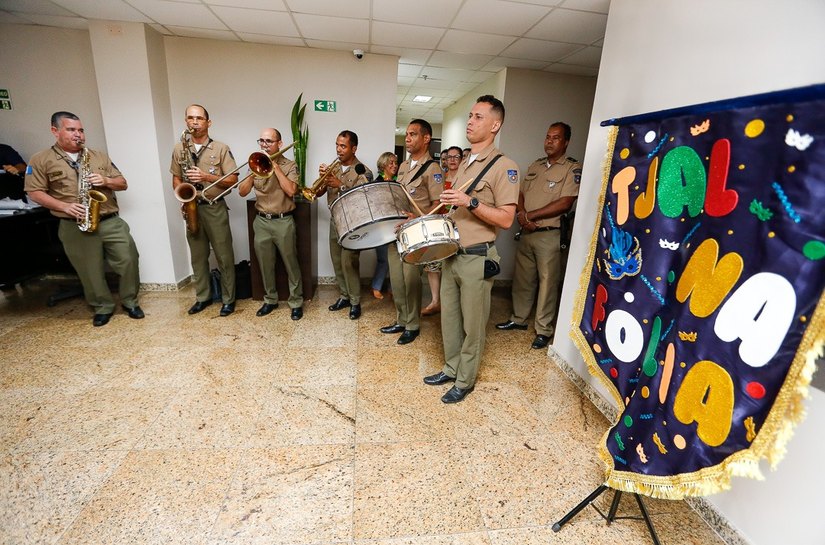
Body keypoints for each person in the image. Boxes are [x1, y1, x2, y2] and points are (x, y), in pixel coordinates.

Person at [423, 96, 519, 403]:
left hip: (476, 257)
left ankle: (465, 380)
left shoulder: (505, 167)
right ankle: (451, 367)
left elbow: (506, 218)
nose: (470, 122)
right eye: (469, 116)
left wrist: (471, 202)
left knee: (473, 324)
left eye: (478, 117)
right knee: (449, 318)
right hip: (452, 253)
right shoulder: (465, 162)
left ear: (495, 125)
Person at [24, 111, 142, 327]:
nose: (78, 135)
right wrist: (64, 206)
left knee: (128, 259)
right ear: (55, 131)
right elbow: (34, 192)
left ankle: (130, 302)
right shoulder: (41, 159)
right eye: (71, 130)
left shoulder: (97, 156)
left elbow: (122, 183)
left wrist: (105, 180)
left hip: (109, 219)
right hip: (74, 224)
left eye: (81, 130)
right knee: (90, 269)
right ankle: (102, 307)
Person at [497, 122, 581, 349]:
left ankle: (543, 329)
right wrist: (522, 215)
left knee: (547, 283)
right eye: (547, 137)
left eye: (555, 138)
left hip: (549, 234)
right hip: (526, 231)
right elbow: (521, 192)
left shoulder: (571, 169)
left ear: (566, 142)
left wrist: (530, 216)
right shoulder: (535, 165)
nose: (549, 141)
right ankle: (518, 319)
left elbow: (565, 203)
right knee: (523, 279)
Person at [170, 104, 238, 317]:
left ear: (209, 122)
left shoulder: (221, 148)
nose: (195, 122)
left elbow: (233, 180)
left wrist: (207, 177)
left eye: (199, 118)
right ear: (186, 122)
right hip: (192, 207)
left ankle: (228, 299)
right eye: (190, 118)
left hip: (214, 207)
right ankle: (203, 297)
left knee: (224, 255)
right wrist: (182, 195)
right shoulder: (179, 148)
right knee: (198, 256)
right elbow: (176, 177)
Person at [380, 119, 443, 345]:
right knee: (397, 280)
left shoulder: (433, 169)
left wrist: (417, 217)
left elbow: (439, 206)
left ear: (426, 139)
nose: (407, 138)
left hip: (415, 234)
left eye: (413, 134)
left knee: (411, 281)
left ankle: (413, 324)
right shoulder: (404, 166)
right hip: (396, 232)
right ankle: (401, 319)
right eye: (406, 134)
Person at [238, 128, 304, 320]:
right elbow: (242, 192)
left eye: (269, 141)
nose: (264, 144)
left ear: (279, 144)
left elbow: (291, 191)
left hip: (283, 221)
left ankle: (296, 302)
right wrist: (252, 173)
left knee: (291, 263)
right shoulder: (255, 161)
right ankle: (270, 299)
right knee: (265, 264)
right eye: (262, 141)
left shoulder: (290, 165)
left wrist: (275, 167)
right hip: (261, 222)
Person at [318, 130, 373, 320]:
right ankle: (344, 296)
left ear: (354, 148)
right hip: (335, 221)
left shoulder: (363, 171)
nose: (339, 150)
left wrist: (339, 184)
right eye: (337, 145)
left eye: (343, 146)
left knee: (349, 263)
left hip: (353, 224)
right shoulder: (333, 168)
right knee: (337, 262)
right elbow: (317, 193)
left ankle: (355, 302)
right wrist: (323, 181)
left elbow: (363, 198)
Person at [421, 145, 462, 316]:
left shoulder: (465, 178)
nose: (452, 160)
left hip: (457, 227)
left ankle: (453, 303)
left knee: (454, 265)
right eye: (449, 157)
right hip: (438, 224)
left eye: (456, 157)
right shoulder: (439, 178)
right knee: (433, 264)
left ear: (462, 159)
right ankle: (435, 301)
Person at [371, 151, 397, 300]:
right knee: (383, 259)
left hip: (396, 224)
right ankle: (376, 287)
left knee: (396, 259)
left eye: (395, 162)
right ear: (383, 165)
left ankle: (392, 288)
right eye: (391, 163)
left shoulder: (398, 182)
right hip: (381, 226)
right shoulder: (376, 184)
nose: (394, 165)